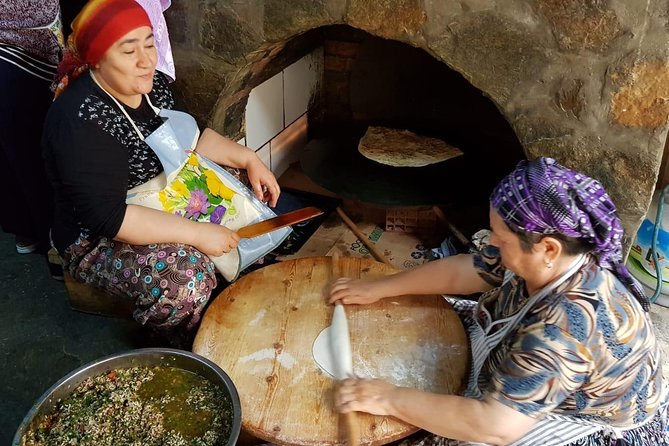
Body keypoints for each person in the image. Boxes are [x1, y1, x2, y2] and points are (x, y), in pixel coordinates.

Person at [329, 157, 667, 446]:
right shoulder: (548, 255)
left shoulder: (565, 329)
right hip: (536, 361)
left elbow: (494, 425)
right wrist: (382, 288)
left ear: (548, 248)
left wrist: (388, 398)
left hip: (583, 419)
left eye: (501, 238)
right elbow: (464, 271)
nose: (491, 242)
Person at [42, 0, 280, 340]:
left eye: (149, 43)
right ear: (97, 58)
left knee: (240, 188)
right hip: (97, 237)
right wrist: (198, 234)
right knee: (185, 275)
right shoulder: (82, 121)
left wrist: (248, 159)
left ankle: (237, 282)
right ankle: (182, 338)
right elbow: (110, 219)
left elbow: (191, 140)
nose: (147, 60)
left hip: (162, 196)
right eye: (129, 51)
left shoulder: (152, 87)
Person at [0, 1, 62, 255]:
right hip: (27, 55)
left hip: (21, 52)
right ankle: (54, 247)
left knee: (14, 153)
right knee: (35, 156)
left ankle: (25, 229)